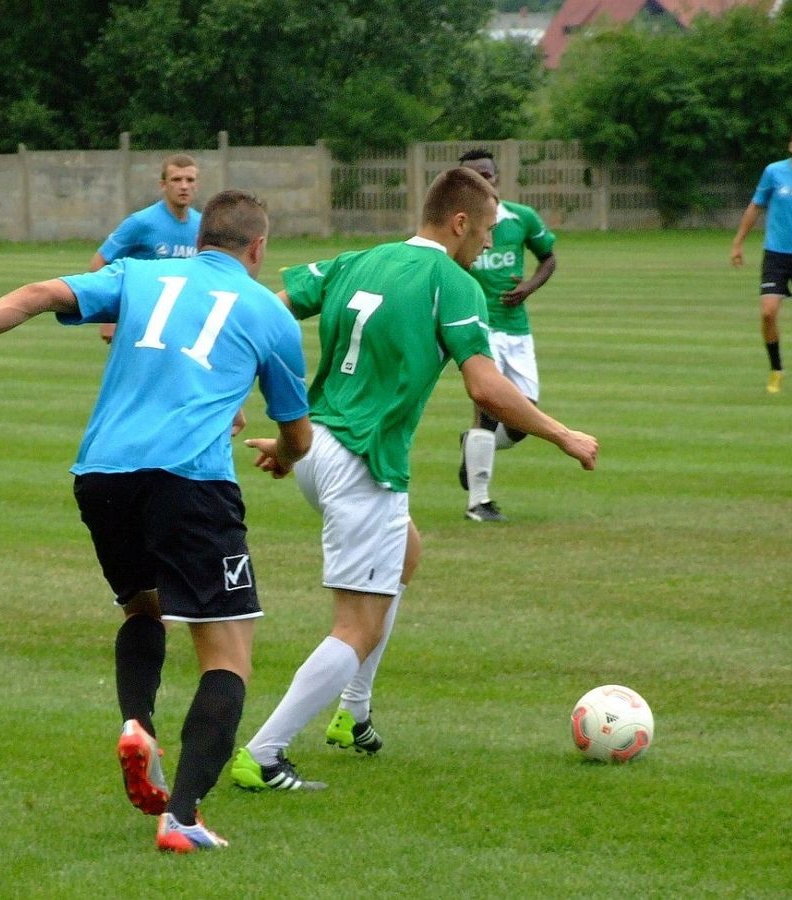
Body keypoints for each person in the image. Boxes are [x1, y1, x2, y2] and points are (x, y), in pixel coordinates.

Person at [0, 189, 312, 852]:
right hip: (191, 483)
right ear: (258, 248)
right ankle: (183, 819)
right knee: (229, 655)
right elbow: (297, 433)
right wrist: (281, 452)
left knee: (144, 609)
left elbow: (36, 293)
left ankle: (137, 724)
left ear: (198, 240)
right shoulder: (268, 313)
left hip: (101, 474)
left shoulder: (141, 273)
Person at [229, 167, 598, 792]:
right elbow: (485, 386)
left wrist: (255, 402)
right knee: (357, 625)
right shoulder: (452, 283)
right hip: (363, 463)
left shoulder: (358, 259)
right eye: (483, 233)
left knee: (407, 550)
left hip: (317, 447)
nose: (487, 246)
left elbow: (265, 308)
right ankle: (263, 754)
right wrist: (563, 434)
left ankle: (354, 714)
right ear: (458, 223)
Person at [456, 148, 558, 522]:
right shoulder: (457, 224)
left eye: (488, 174)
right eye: (474, 175)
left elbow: (549, 257)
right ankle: (478, 502)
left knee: (523, 417)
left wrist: (528, 287)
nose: (484, 181)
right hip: (477, 327)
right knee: (486, 408)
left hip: (517, 329)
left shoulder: (521, 218)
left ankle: (473, 449)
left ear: (497, 178)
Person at [90, 153, 200, 343]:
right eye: (176, 179)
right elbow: (98, 263)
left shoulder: (203, 225)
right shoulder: (141, 222)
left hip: (185, 321)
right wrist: (109, 317)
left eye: (189, 180)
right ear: (163, 185)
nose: (184, 186)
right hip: (143, 321)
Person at [730, 129, 792, 394]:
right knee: (768, 312)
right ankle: (776, 370)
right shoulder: (774, 172)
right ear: (791, 145)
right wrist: (738, 242)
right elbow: (756, 206)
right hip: (777, 254)